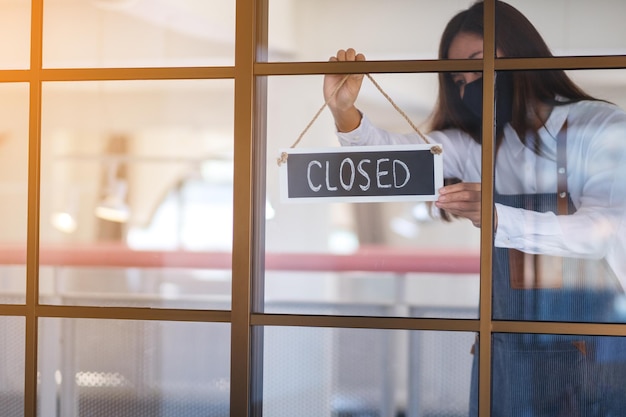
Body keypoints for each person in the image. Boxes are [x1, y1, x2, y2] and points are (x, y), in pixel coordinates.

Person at [323, 1, 626, 416]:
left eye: (479, 63)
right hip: (508, 353)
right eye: (461, 78)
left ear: (522, 52)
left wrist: (500, 216)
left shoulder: (601, 127)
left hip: (598, 352)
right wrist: (345, 113)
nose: (471, 84)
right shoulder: (478, 145)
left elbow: (602, 232)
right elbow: (397, 160)